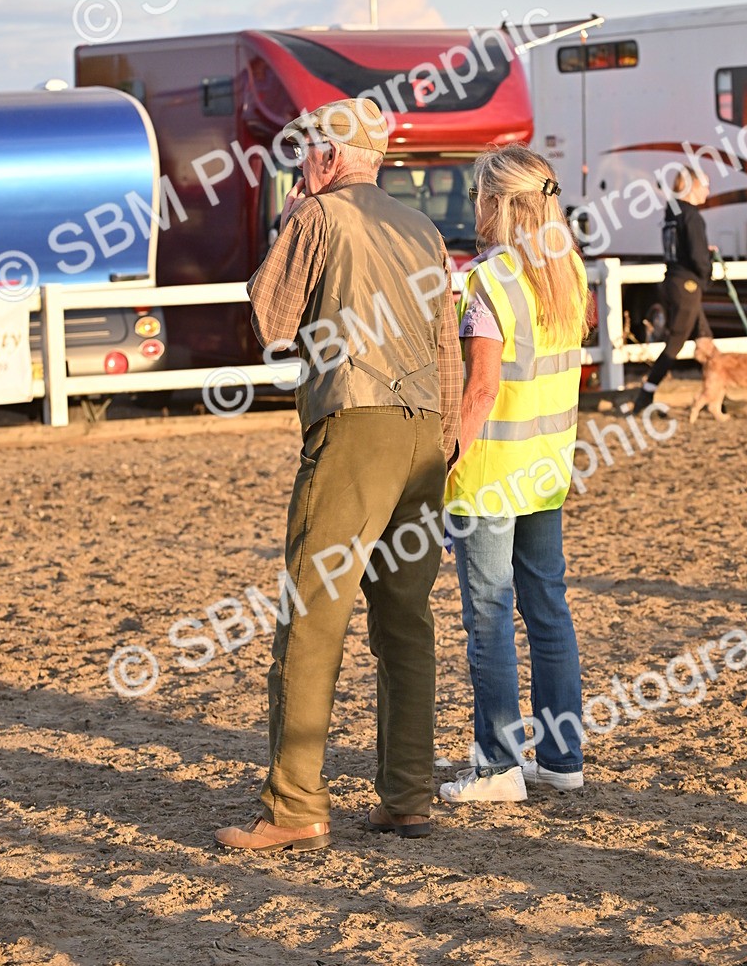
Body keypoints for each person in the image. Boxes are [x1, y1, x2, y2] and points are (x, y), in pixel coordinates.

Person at [214, 97, 463, 853]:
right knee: (405, 621)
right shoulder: (420, 228)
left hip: (354, 425)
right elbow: (447, 346)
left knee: (312, 615)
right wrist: (444, 445)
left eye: (306, 154)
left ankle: (294, 808)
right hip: (425, 436)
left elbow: (272, 319)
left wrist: (293, 215)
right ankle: (408, 796)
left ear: (326, 156)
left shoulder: (318, 216)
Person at [439, 143, 590, 804]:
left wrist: (447, 468)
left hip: (493, 472)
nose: (475, 205)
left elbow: (480, 391)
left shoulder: (488, 278)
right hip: (547, 470)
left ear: (498, 201)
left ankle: (499, 765)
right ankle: (561, 757)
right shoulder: (570, 272)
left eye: (480, 193)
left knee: (491, 620)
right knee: (548, 612)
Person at [632, 168, 713, 415]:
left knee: (704, 337)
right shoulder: (692, 216)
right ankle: (645, 395)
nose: (708, 191)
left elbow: (684, 245)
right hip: (687, 285)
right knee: (675, 343)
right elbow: (698, 256)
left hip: (672, 280)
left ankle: (713, 394)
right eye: (705, 185)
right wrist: (706, 275)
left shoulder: (673, 211)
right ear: (692, 186)